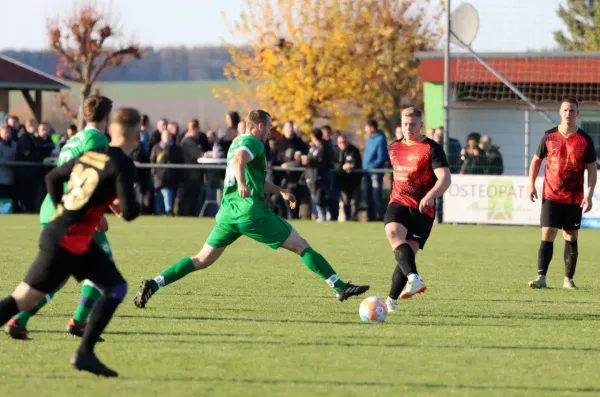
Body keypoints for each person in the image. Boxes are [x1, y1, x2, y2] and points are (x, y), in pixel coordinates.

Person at [133, 110, 369, 308]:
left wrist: (280, 191)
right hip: (251, 213)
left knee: (202, 259)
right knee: (301, 246)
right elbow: (239, 162)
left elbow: (250, 175)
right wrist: (244, 184)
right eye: (268, 128)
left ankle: (155, 283)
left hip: (228, 213)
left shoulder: (237, 141)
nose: (269, 133)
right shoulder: (251, 142)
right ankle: (340, 287)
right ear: (258, 126)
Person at [0, 107, 141, 377]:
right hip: (67, 242)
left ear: (111, 131)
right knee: (24, 299)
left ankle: (85, 352)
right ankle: (83, 349)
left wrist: (62, 209)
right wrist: (127, 203)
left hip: (68, 236)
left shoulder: (90, 154)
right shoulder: (122, 163)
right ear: (135, 136)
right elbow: (130, 212)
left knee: (115, 285)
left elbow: (52, 177)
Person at [5, 95, 115, 341]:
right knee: (104, 266)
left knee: (57, 275)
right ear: (107, 116)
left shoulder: (73, 139)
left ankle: (18, 321)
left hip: (53, 209)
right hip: (74, 213)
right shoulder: (96, 138)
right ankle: (78, 322)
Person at [384, 107, 451, 313]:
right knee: (393, 233)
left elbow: (445, 178)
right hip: (398, 203)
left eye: (412, 124)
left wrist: (430, 196)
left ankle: (391, 300)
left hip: (424, 209)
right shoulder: (394, 147)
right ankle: (415, 279)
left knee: (407, 255)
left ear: (421, 125)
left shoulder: (431, 148)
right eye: (405, 124)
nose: (408, 128)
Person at [528, 97, 597, 290]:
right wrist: (531, 185)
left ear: (577, 114)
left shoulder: (584, 140)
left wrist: (589, 194)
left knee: (571, 235)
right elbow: (536, 161)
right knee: (548, 233)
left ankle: (568, 279)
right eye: (565, 110)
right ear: (560, 112)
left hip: (574, 197)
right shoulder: (548, 136)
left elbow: (592, 169)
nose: (568, 114)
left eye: (572, 111)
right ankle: (541, 278)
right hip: (551, 195)